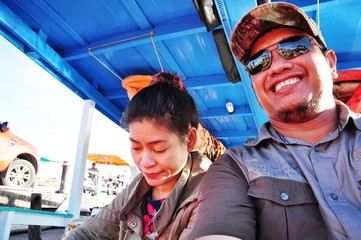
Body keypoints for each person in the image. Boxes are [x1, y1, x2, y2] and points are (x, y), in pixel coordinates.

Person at [189, 2, 361, 240]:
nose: (278, 66)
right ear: (255, 92)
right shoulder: (236, 168)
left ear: (331, 63)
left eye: (294, 47)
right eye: (258, 63)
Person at [63, 71, 212, 239]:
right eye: (136, 147)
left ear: (190, 140)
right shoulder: (136, 187)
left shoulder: (210, 194)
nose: (145, 162)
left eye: (159, 149)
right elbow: (90, 231)